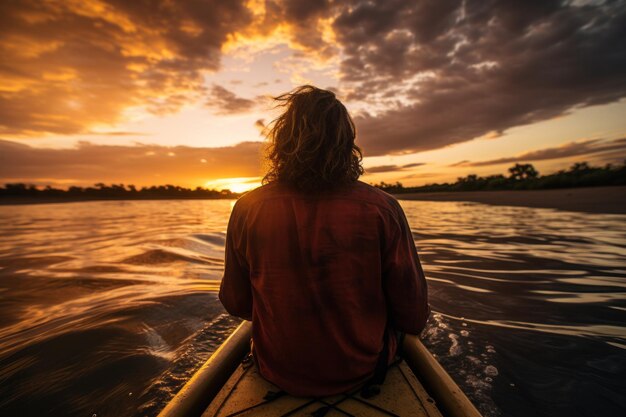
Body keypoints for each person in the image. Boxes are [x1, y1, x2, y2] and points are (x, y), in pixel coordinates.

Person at [219, 85, 430, 397]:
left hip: (277, 370)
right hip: (361, 371)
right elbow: (413, 315)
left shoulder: (248, 208)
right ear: (346, 144)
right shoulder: (382, 208)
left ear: (282, 143)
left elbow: (236, 302)